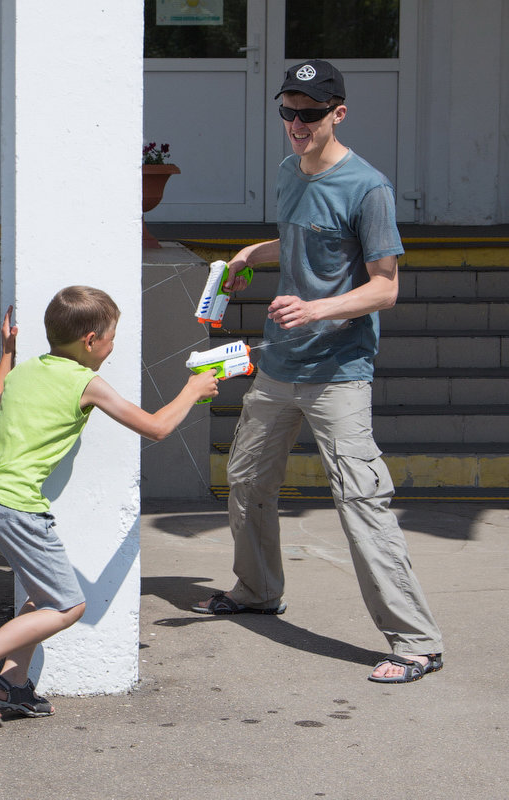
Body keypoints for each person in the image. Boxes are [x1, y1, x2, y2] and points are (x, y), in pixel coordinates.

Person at [190, 60, 444, 685]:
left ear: (339, 113)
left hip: (339, 371)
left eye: (309, 113)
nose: (297, 125)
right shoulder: (288, 172)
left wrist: (316, 308)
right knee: (247, 479)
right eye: (287, 112)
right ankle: (256, 591)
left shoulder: (369, 188)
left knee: (361, 500)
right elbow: (304, 237)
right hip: (280, 364)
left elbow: (384, 288)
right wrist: (257, 251)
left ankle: (415, 642)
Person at [0, 290, 219, 726]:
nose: (112, 346)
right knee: (68, 606)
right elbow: (157, 428)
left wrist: (8, 352)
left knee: (43, 595)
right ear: (90, 340)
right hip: (17, 508)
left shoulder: (25, 370)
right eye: (110, 338)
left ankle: (11, 686)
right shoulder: (86, 382)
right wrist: (192, 389)